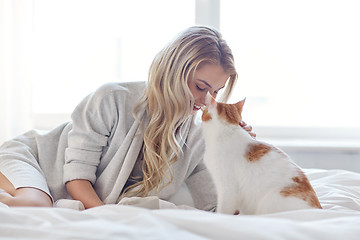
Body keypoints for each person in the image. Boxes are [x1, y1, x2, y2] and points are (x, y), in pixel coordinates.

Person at [0, 26, 255, 210]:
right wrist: (103, 217)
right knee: (34, 204)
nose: (207, 101)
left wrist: (236, 151)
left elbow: (215, 202)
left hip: (56, 180)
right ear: (174, 71)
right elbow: (77, 178)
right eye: (201, 87)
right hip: (32, 157)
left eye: (216, 91)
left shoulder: (198, 137)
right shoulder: (113, 98)